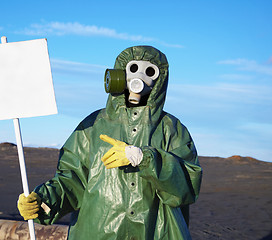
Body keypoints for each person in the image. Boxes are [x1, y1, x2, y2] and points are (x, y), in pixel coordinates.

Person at [17, 46, 202, 239]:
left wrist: (145, 158)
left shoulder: (171, 128)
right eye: (132, 69)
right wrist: (43, 201)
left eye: (149, 71)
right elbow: (71, 180)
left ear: (160, 79)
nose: (139, 77)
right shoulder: (93, 125)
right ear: (119, 74)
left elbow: (187, 185)